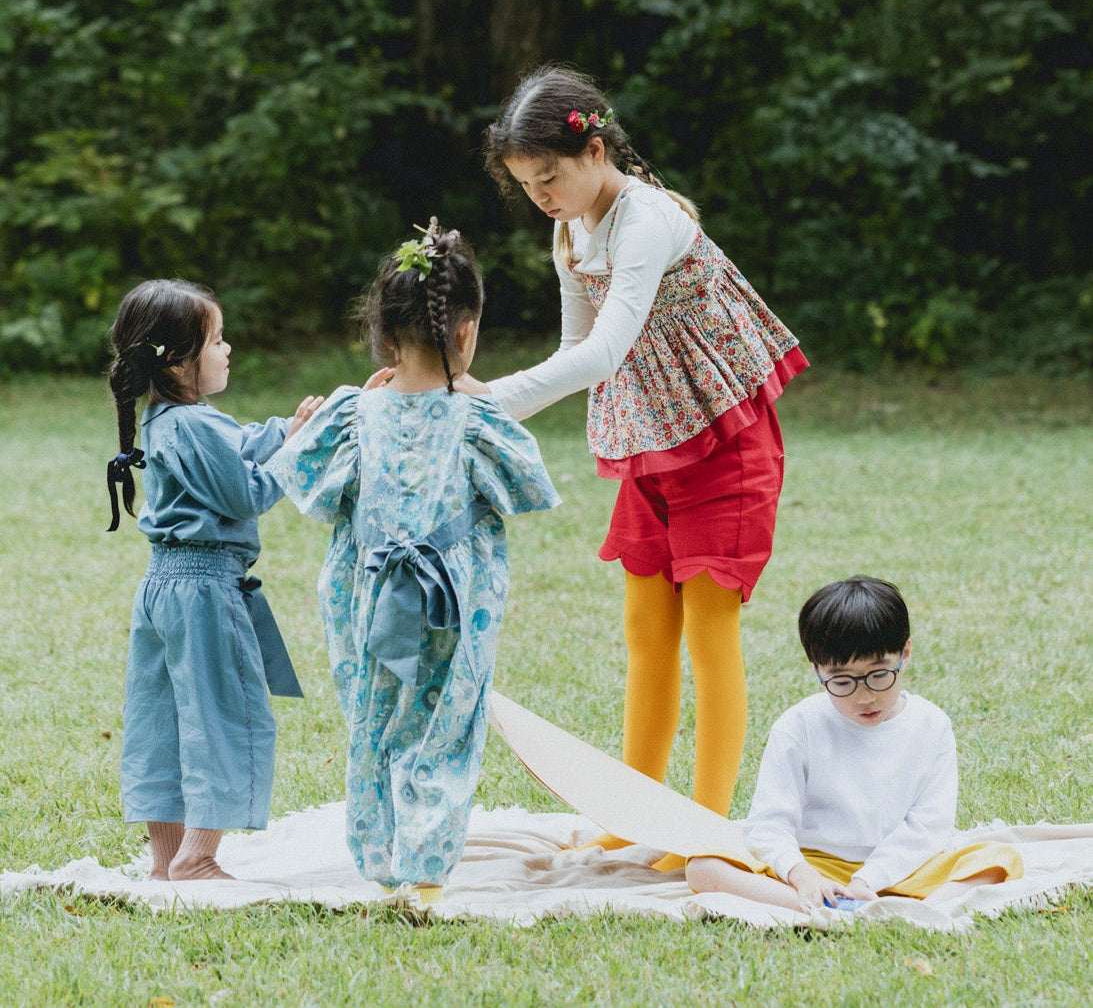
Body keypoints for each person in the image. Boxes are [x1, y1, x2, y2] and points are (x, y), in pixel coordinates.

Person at [473, 65, 807, 856]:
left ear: (593, 147)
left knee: (707, 631)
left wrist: (481, 400)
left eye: (550, 176)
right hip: (649, 441)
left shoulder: (646, 219)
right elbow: (570, 347)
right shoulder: (570, 231)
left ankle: (702, 826)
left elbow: (603, 350)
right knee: (644, 631)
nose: (543, 197)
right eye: (526, 185)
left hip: (724, 444)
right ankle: (631, 815)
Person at [268, 219, 560, 900]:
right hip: (453, 603)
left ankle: (380, 863)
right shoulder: (480, 423)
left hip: (360, 597)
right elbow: (527, 487)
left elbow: (307, 486)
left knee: (373, 722)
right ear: (465, 333)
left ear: (384, 337)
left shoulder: (351, 414)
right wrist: (479, 395)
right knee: (444, 729)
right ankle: (424, 874)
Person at [106, 278, 323, 880]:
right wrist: (299, 450)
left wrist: (290, 428)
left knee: (163, 720)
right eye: (218, 340)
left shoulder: (169, 420)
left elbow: (244, 444)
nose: (228, 350)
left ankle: (163, 861)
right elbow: (246, 489)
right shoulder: (195, 426)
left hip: (161, 590)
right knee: (224, 713)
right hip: (205, 590)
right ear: (176, 359)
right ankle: (198, 857)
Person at [686, 576, 1023, 910]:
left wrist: (868, 879)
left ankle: (895, 910)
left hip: (903, 868)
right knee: (702, 866)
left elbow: (929, 826)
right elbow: (770, 822)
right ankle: (825, 904)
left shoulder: (931, 726)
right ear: (817, 670)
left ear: (904, 653)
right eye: (843, 681)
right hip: (816, 863)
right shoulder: (797, 726)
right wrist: (801, 874)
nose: (864, 697)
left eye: (878, 675)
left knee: (998, 859)